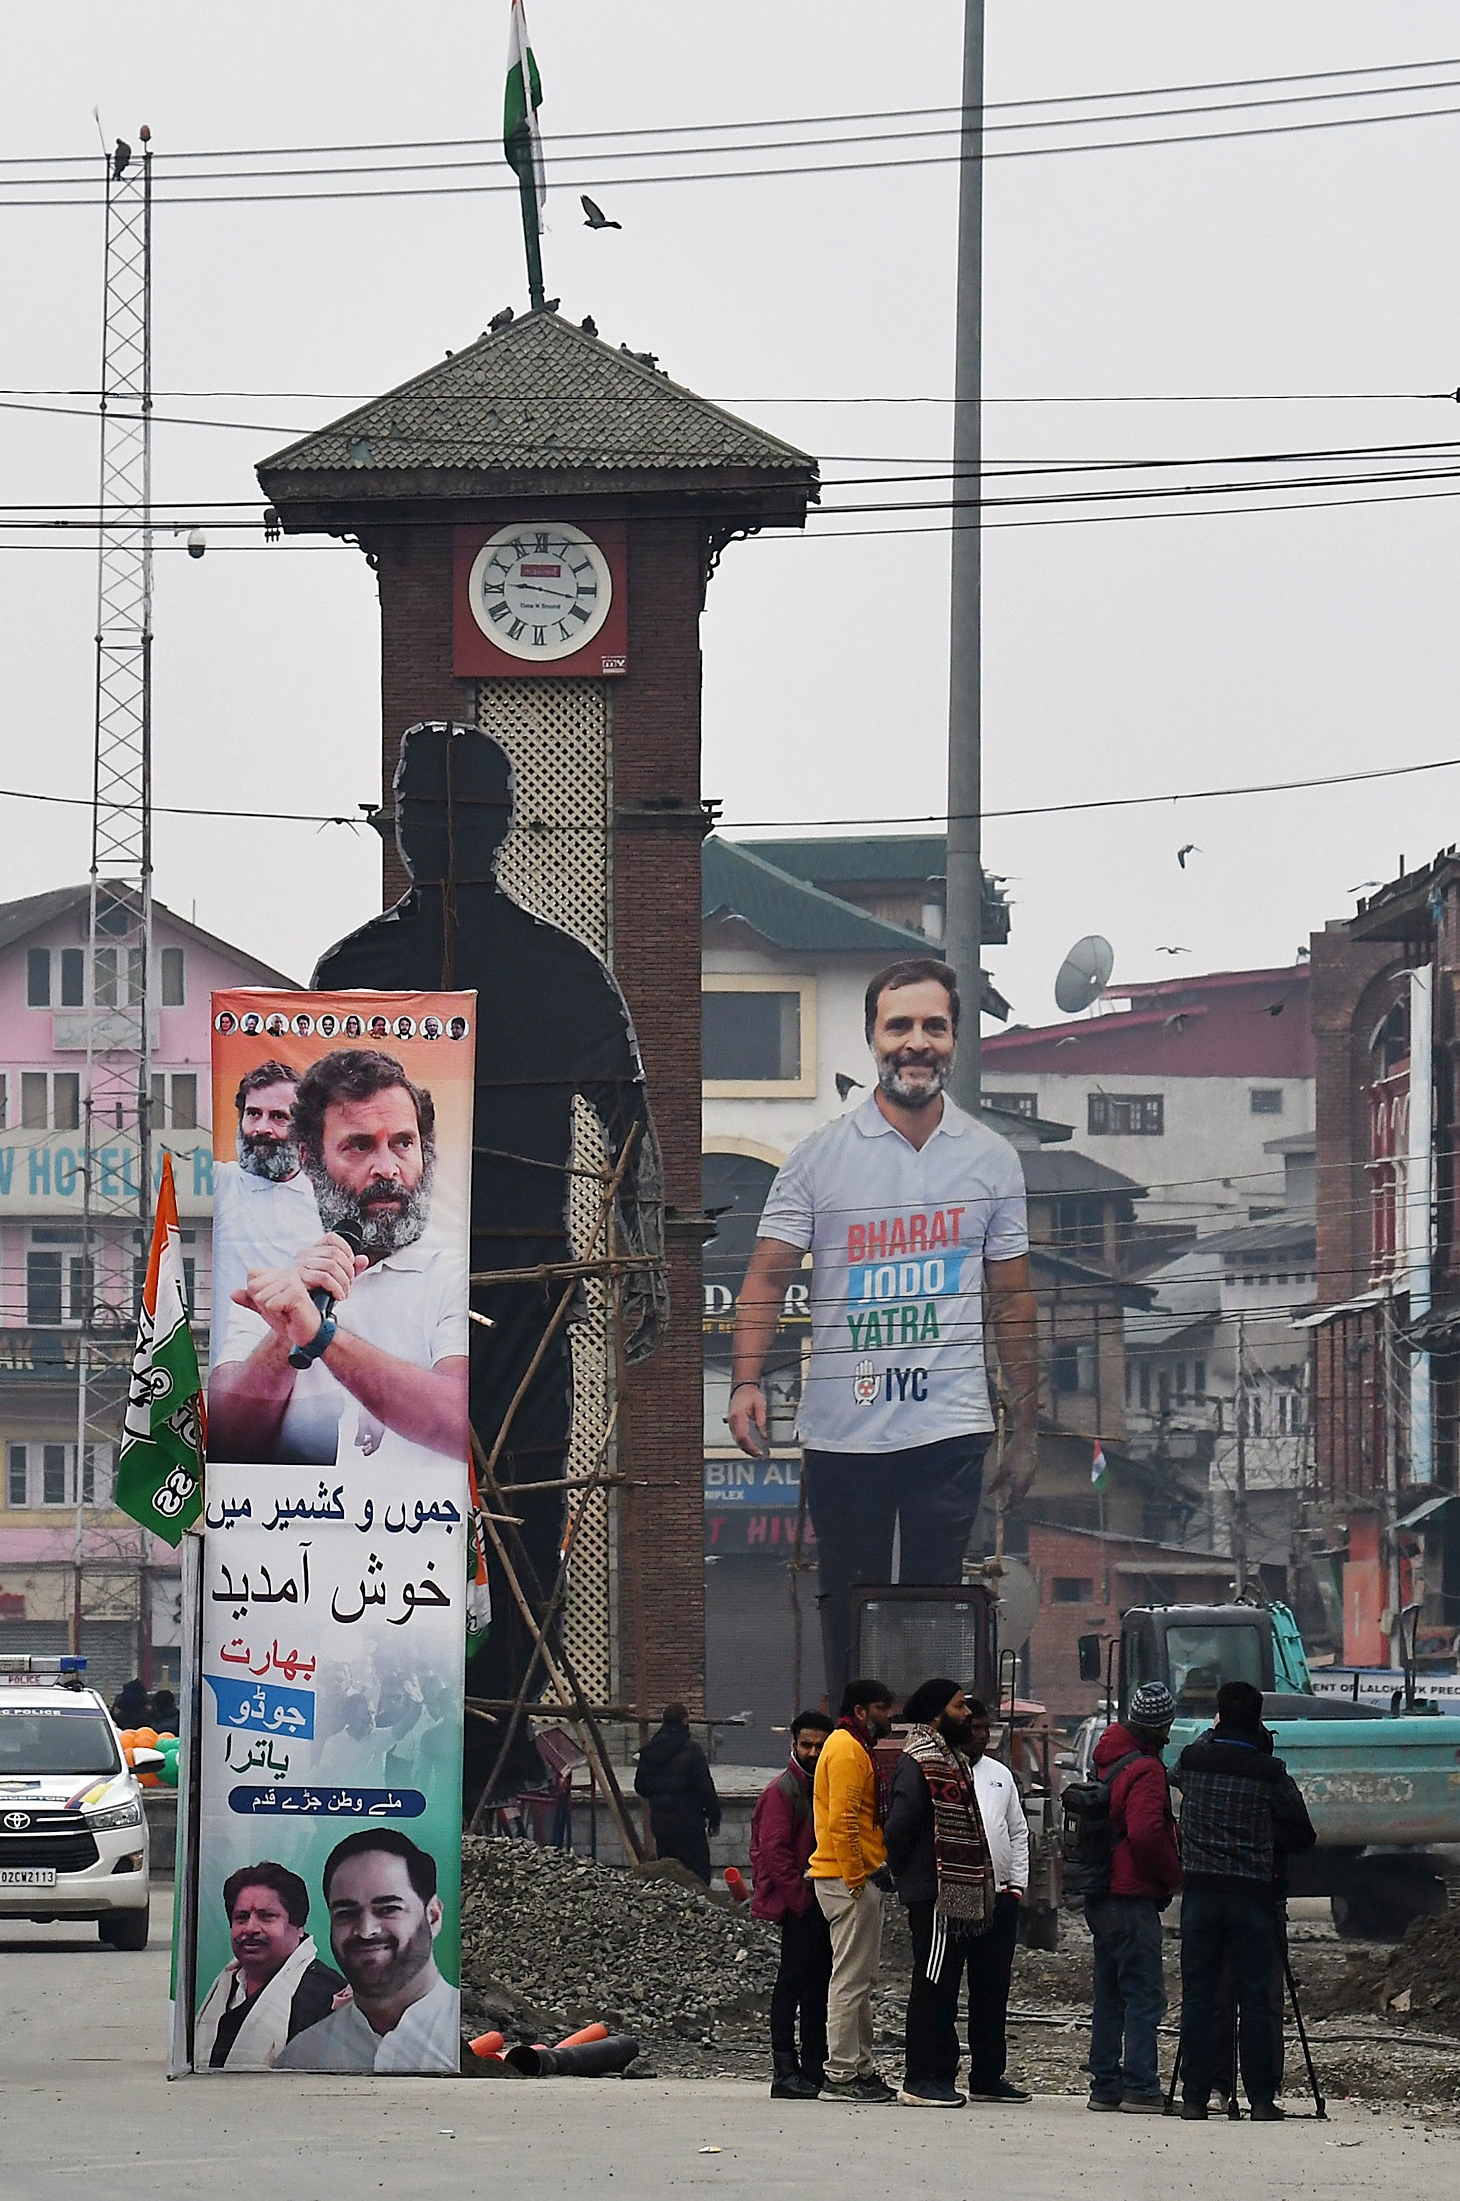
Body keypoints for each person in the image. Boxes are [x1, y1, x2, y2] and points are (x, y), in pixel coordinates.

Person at [313, 723, 661, 1804]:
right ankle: (393, 1717)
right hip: (386, 1297)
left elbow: (632, 1132)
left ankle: (498, 1730)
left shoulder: (563, 972)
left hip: (523, 1294)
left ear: (499, 824)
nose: (430, 834)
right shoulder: (355, 972)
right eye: (413, 814)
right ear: (397, 824)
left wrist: (639, 1267)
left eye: (449, 815)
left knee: (525, 1504)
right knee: (376, 1501)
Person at [728, 958, 1039, 1689]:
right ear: (873, 1037)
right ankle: (850, 1765)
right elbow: (766, 1278)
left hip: (952, 1430)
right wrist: (745, 1382)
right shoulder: (819, 1158)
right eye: (899, 1025)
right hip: (844, 1429)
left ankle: (926, 1773)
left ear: (955, 1039)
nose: (916, 1042)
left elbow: (1014, 1301)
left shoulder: (992, 1161)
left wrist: (1026, 1429)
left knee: (935, 1611)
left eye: (934, 1026)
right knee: (850, 1610)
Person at [206, 1047, 471, 1466]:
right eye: (359, 1146)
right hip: (293, 1526)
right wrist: (285, 1330)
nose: (387, 1168)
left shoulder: (455, 1273)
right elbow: (226, 1441)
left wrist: (321, 1338)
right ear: (311, 1160)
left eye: (403, 1143)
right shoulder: (280, 1276)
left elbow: (457, 1423)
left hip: (424, 1526)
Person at [1172, 1680, 1316, 2124]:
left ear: (1217, 1717)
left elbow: (1182, 1769)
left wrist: (1212, 1734)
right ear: (1257, 1720)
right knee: (1257, 2000)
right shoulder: (1268, 1773)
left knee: (1199, 1997)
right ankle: (1261, 2100)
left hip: (1200, 1895)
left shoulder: (1192, 1761)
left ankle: (1195, 2097)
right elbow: (1303, 1833)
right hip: (1253, 1897)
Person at [881, 1678, 999, 2109]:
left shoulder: (951, 1758)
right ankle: (921, 2078)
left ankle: (940, 2075)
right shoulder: (921, 1761)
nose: (967, 1713)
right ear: (936, 1713)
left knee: (945, 1984)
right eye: (958, 1706)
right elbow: (901, 1824)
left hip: (948, 1891)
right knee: (932, 1983)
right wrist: (891, 1868)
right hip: (933, 1892)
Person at [278, 1829, 460, 2073]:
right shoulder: (303, 2057)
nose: (366, 1931)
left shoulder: (469, 2042)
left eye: (388, 1909)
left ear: (433, 1917)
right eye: (346, 1913)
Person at [1084, 1679, 1181, 2115]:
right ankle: (1141, 2086)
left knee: (1109, 1994)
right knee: (1145, 1995)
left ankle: (1105, 2084)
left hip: (1100, 1892)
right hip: (1131, 1894)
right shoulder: (1146, 1769)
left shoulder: (1105, 1759)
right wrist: (1173, 1876)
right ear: (1160, 1726)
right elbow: (1146, 1833)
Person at [805, 1676, 900, 2103]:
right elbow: (842, 1821)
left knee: (860, 1978)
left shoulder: (853, 1747)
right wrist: (859, 1876)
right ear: (861, 1711)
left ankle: (858, 2068)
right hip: (847, 1879)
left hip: (850, 1875)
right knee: (849, 1979)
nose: (889, 1716)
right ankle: (842, 2074)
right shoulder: (846, 1749)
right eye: (882, 1708)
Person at [211, 1058, 325, 1364]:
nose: (262, 1128)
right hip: (229, 1378)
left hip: (305, 1375)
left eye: (278, 1117)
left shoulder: (328, 1199)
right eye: (253, 1114)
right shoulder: (219, 1185)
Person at [190, 1861, 346, 2069]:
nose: (250, 1928)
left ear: (298, 1926)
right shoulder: (227, 1984)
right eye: (241, 1918)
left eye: (267, 1917)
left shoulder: (323, 1996)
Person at [752, 1710, 835, 2099]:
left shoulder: (820, 1786)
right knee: (792, 1984)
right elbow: (775, 1854)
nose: (814, 1752)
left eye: (820, 1745)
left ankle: (813, 2067)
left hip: (818, 1901)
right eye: (807, 1745)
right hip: (801, 1904)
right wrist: (801, 1902)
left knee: (816, 1986)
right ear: (794, 1744)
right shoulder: (782, 1791)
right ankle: (786, 2069)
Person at [961, 1697, 1032, 2102]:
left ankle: (987, 2076)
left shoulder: (1000, 1775)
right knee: (946, 1986)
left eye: (987, 1729)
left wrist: (1016, 1886)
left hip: (1000, 1898)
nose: (983, 1736)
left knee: (992, 1990)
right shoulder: (942, 1772)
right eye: (975, 1728)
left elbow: (1018, 1833)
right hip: (955, 1899)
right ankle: (936, 2070)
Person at [632, 1704, 722, 1878]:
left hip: (661, 1826)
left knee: (669, 1877)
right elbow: (705, 1788)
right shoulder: (693, 1751)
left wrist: (659, 1794)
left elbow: (640, 1787)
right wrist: (714, 1818)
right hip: (690, 1825)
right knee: (698, 1875)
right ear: (685, 1721)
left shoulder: (650, 1751)